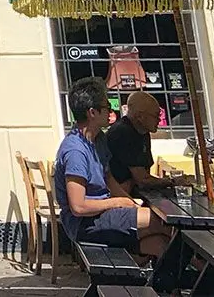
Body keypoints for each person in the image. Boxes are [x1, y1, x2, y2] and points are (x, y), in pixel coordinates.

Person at [53, 78, 172, 260]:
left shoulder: (98, 139)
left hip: (103, 214)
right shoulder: (75, 152)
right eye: (107, 106)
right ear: (92, 112)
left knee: (161, 242)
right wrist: (116, 203)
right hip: (85, 224)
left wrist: (129, 202)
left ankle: (173, 286)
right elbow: (78, 207)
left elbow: (109, 179)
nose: (111, 111)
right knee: (162, 222)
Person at [102, 92, 190, 197]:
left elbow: (145, 173)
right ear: (140, 116)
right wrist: (172, 181)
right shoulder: (123, 132)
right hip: (115, 196)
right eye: (156, 115)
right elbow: (143, 180)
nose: (159, 120)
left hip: (131, 193)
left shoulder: (143, 131)